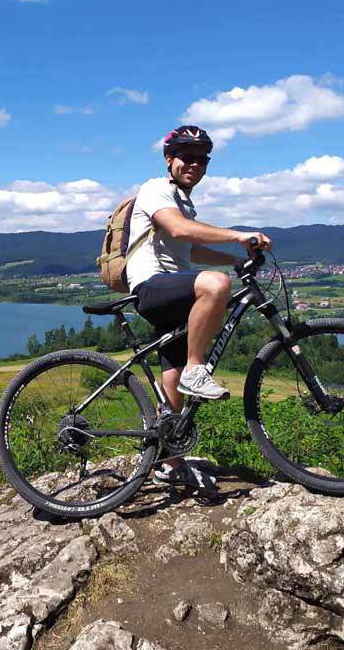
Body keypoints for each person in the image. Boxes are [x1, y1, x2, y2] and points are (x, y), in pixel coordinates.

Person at [125, 125, 272, 487]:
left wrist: (235, 259)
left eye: (202, 159)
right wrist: (239, 235)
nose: (194, 164)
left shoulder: (182, 199)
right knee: (216, 284)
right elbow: (179, 231)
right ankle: (197, 369)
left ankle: (170, 463)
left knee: (171, 372)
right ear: (169, 159)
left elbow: (190, 249)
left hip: (173, 290)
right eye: (186, 156)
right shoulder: (155, 189)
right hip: (151, 285)